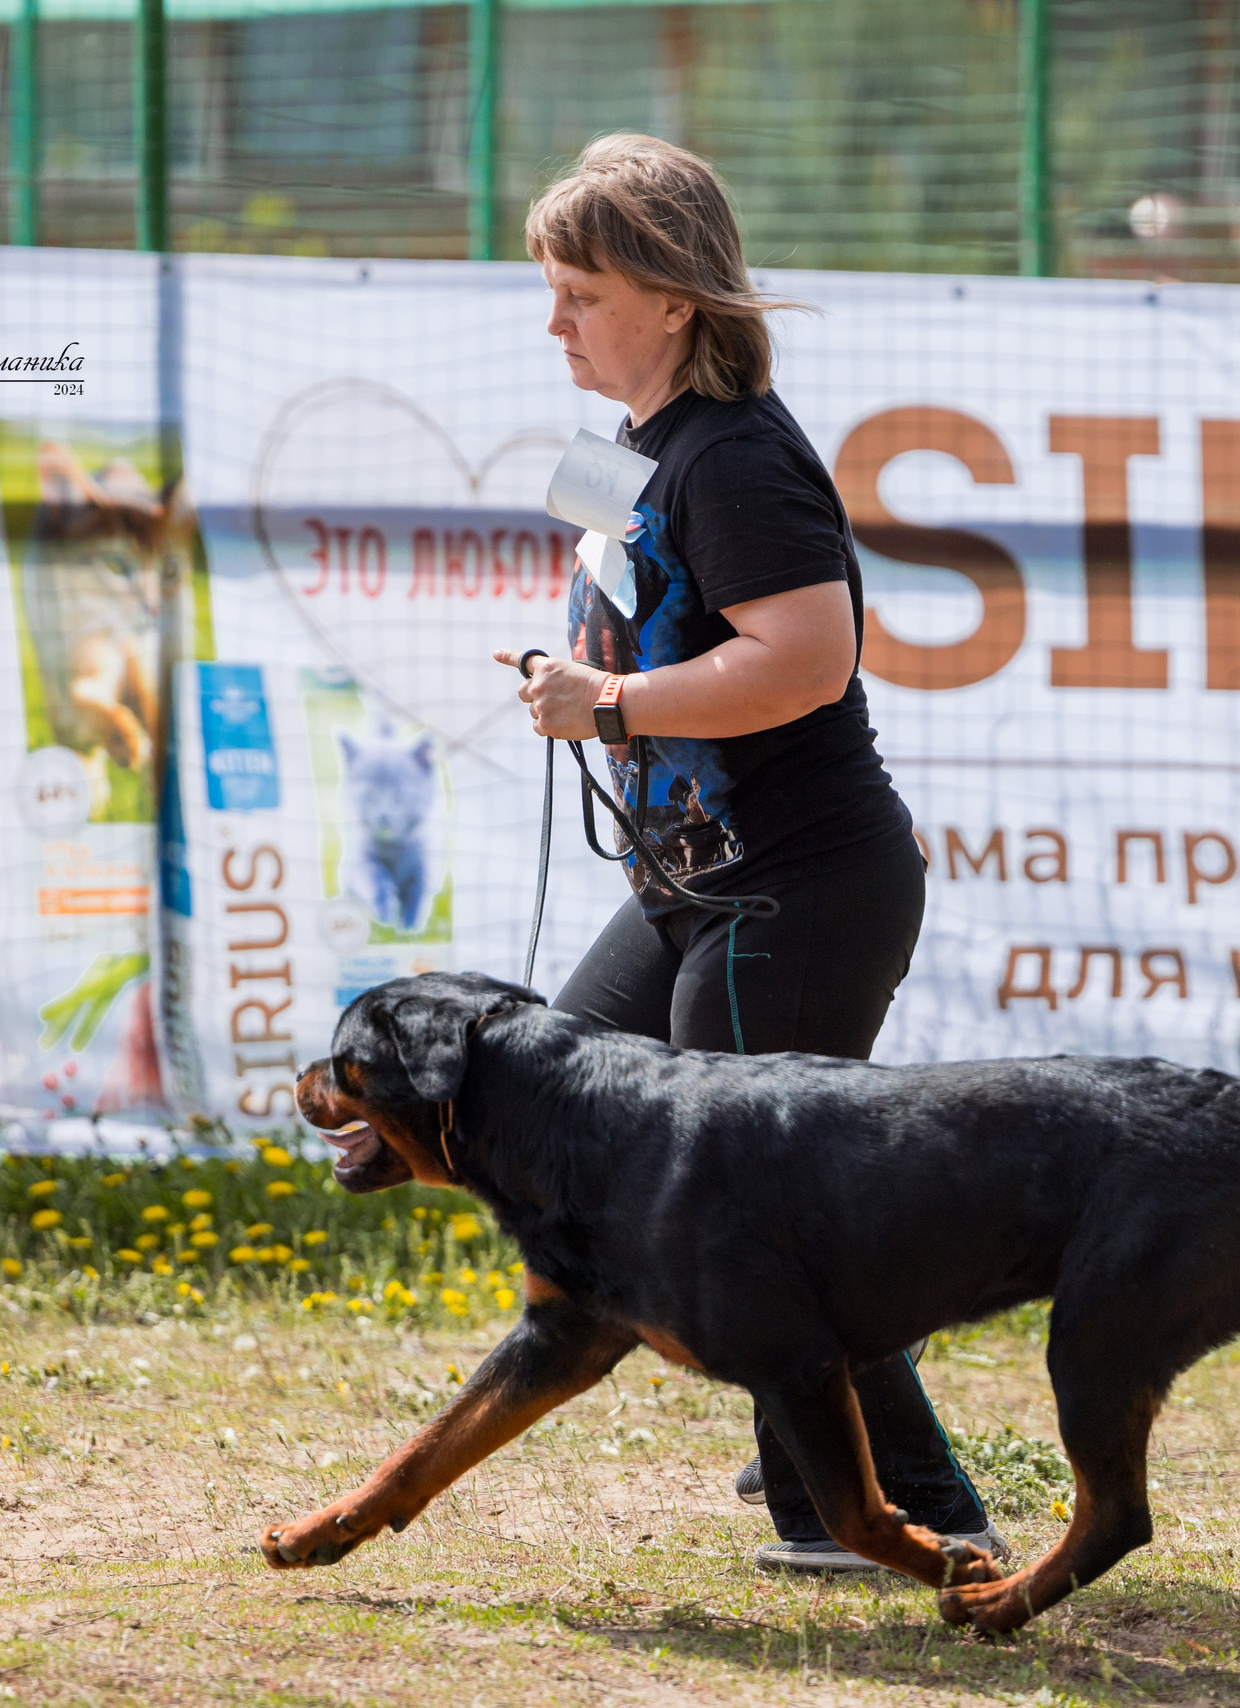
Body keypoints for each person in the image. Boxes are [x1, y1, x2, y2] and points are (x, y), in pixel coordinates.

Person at [491, 133, 999, 1576]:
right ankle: (801, 1413)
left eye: (579, 293)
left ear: (668, 296)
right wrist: (575, 671)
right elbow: (618, 606)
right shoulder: (623, 449)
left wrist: (614, 701)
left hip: (799, 885)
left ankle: (903, 1502)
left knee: (759, 1200)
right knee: (561, 1095)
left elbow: (806, 659)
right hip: (698, 882)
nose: (554, 324)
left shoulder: (739, 455)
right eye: (551, 290)